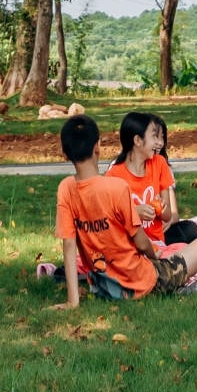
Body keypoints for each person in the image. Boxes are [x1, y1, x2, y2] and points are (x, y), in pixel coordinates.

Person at [54, 112, 178, 304]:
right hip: (140, 280)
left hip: (102, 283)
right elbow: (141, 242)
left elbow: (69, 245)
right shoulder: (117, 186)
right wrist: (155, 256)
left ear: (64, 154)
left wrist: (73, 302)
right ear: (98, 147)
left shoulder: (65, 188)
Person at [111, 111, 197, 264]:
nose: (158, 143)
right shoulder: (114, 175)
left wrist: (161, 208)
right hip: (130, 246)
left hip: (158, 244)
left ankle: (160, 267)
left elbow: (167, 216)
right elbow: (109, 222)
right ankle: (160, 269)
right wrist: (134, 212)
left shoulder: (159, 163)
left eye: (160, 138)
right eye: (153, 136)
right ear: (138, 140)